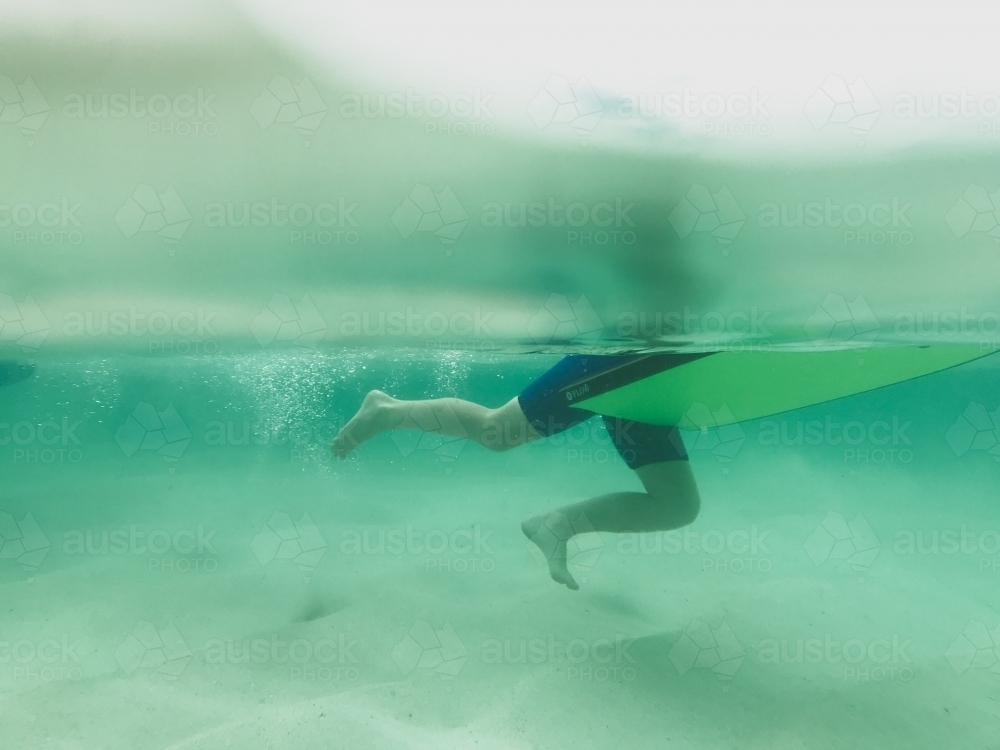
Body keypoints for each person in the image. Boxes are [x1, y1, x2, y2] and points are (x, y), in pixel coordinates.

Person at [331, 354, 700, 590]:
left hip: (655, 380)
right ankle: (387, 410)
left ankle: (557, 524)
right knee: (498, 431)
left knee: (678, 504)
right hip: (627, 359)